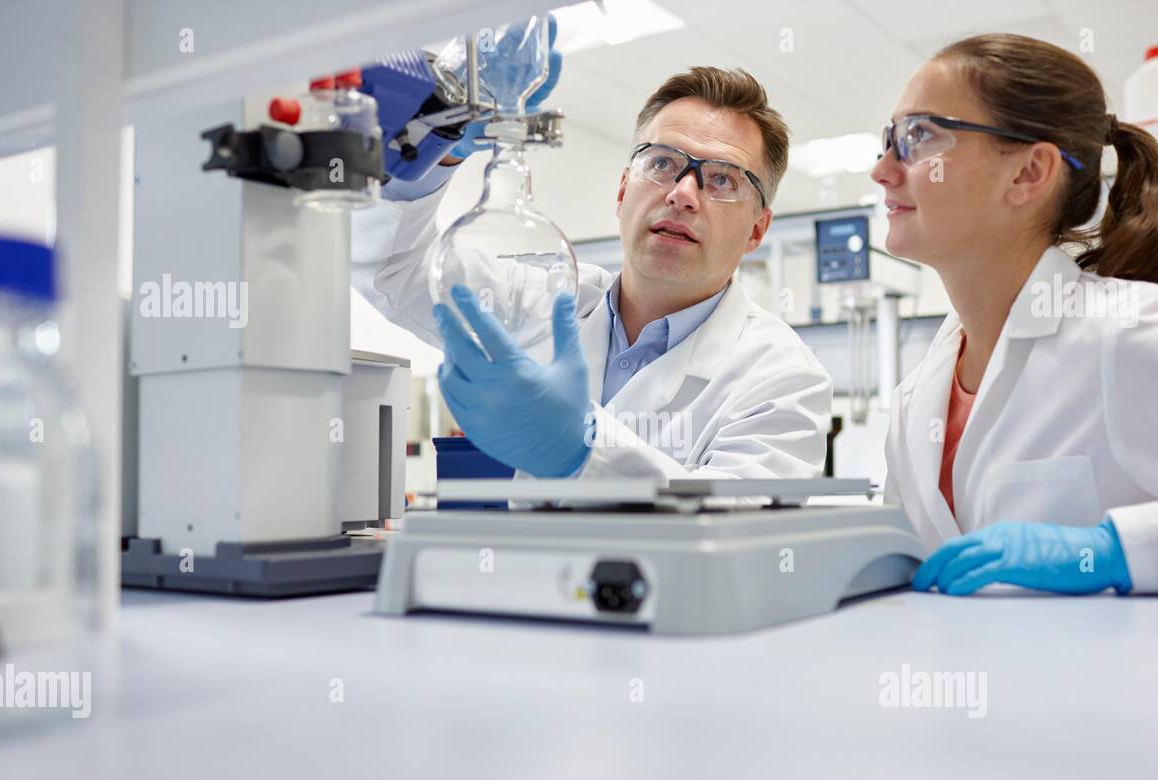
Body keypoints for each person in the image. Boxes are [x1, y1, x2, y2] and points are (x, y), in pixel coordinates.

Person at [352, 49, 832, 481]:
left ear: (756, 231)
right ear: (623, 191)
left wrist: (580, 451)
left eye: (723, 179)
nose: (682, 193)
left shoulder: (784, 380)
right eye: (662, 163)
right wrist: (444, 141)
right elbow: (391, 265)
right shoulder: (540, 301)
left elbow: (737, 538)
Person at [870, 33, 1158, 597]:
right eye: (890, 140)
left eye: (919, 137)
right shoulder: (914, 398)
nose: (883, 170)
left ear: (1028, 173)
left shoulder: (1135, 333)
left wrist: (1121, 549)